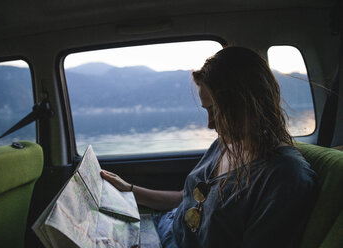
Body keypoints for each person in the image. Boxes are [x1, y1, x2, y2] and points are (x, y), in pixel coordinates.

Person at [101, 46, 317, 248]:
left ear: (248, 104)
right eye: (207, 110)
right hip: (163, 226)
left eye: (217, 111)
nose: (210, 124)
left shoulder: (285, 176)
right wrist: (128, 189)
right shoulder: (224, 145)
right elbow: (185, 200)